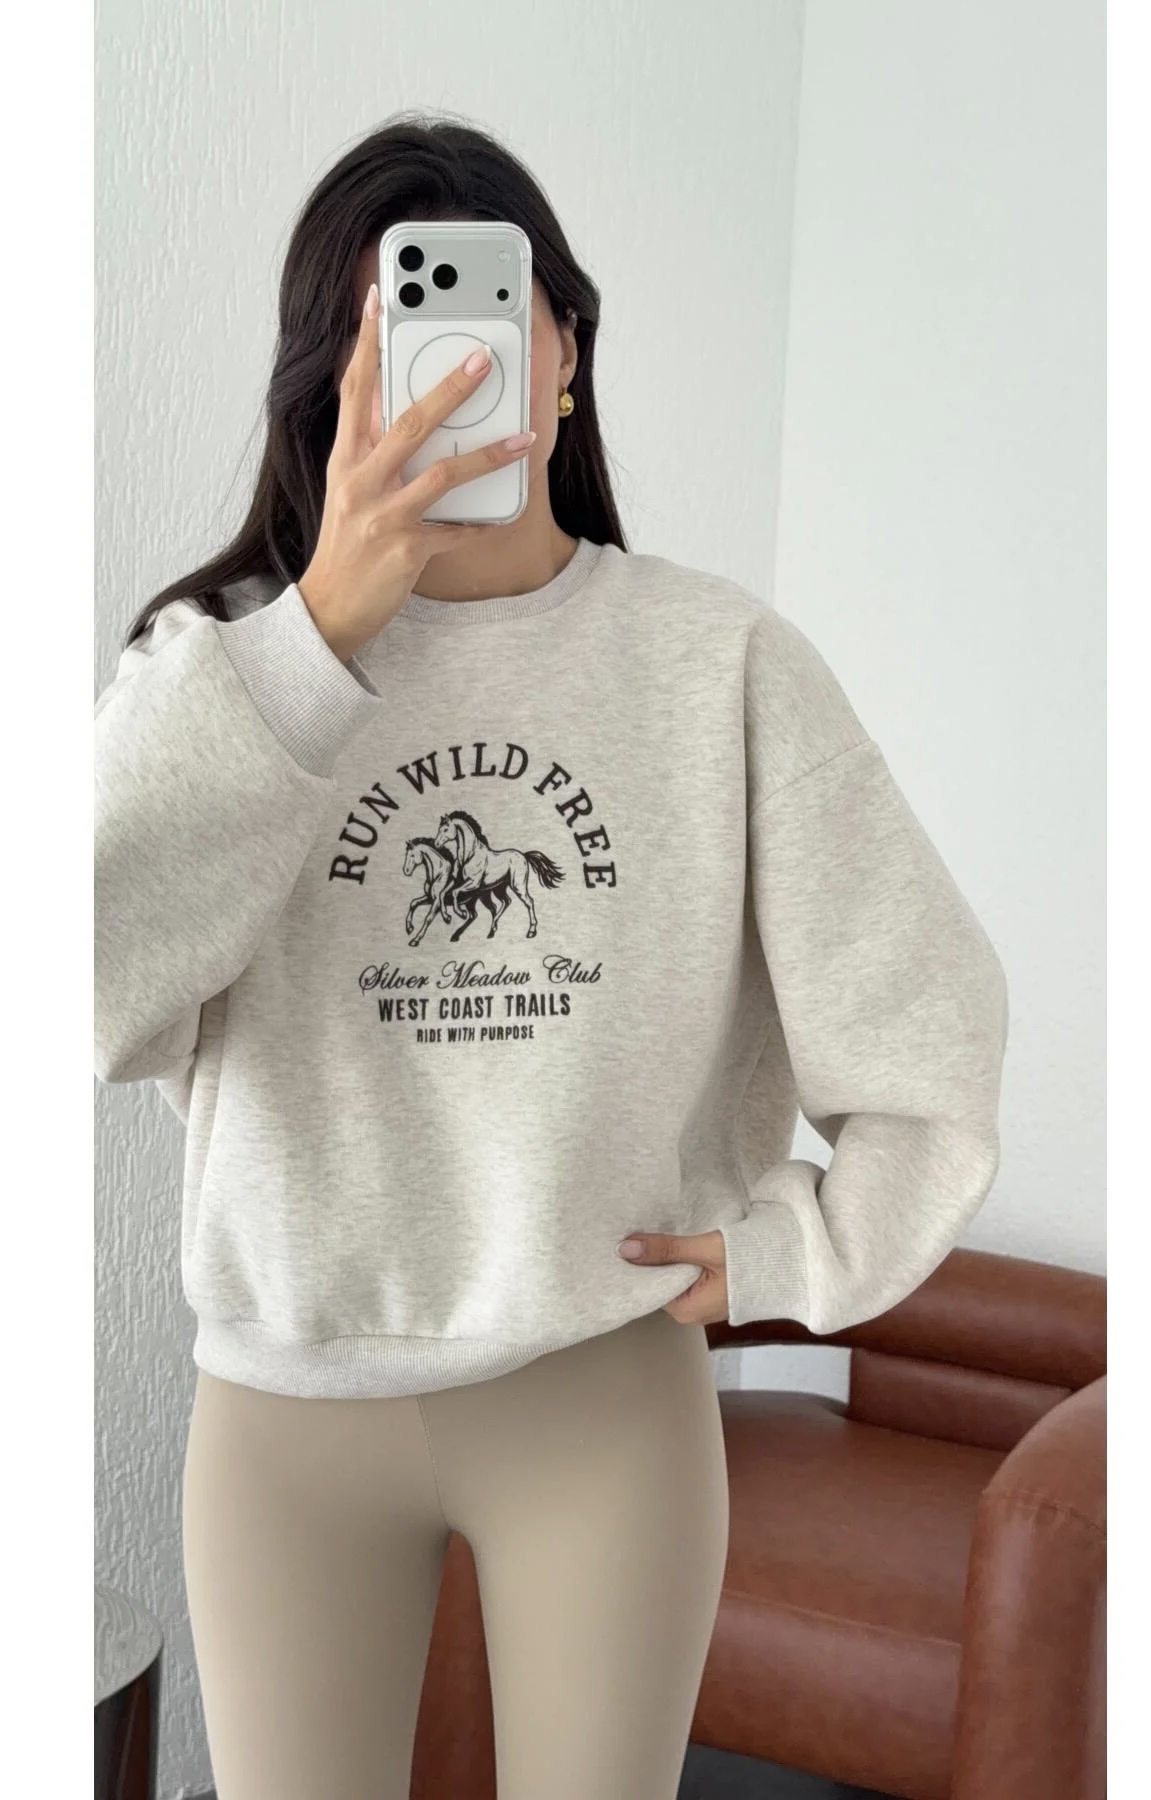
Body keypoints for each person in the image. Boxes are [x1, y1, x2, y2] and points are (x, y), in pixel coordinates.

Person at [94, 114, 1009, 1800]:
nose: (448, 371)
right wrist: (317, 639)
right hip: (289, 1409)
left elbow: (929, 1035)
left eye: (487, 317)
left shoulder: (719, 664)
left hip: (601, 1398)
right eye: (393, 332)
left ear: (566, 351)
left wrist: (799, 1250)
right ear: (330, 384)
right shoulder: (215, 669)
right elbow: (84, 989)